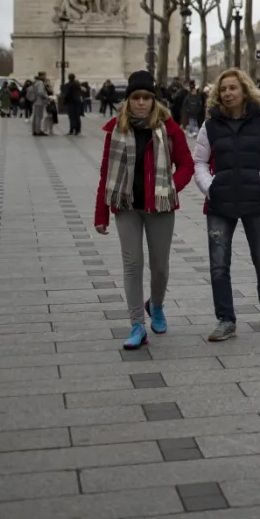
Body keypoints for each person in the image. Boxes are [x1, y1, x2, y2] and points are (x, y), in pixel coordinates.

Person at [93, 70, 195, 349]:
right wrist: (101, 214)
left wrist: (171, 186)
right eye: (135, 98)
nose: (140, 103)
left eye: (146, 98)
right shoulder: (116, 128)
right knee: (132, 265)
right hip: (127, 207)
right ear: (128, 101)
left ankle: (157, 305)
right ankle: (137, 324)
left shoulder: (169, 128)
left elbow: (187, 164)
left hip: (160, 207)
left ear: (153, 100)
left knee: (160, 267)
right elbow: (106, 174)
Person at [192, 69, 260, 342]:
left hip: (257, 202)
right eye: (223, 89)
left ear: (244, 91)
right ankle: (225, 320)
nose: (227, 93)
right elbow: (199, 161)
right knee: (218, 265)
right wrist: (209, 187)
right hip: (220, 204)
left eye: (233, 88)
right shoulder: (210, 125)